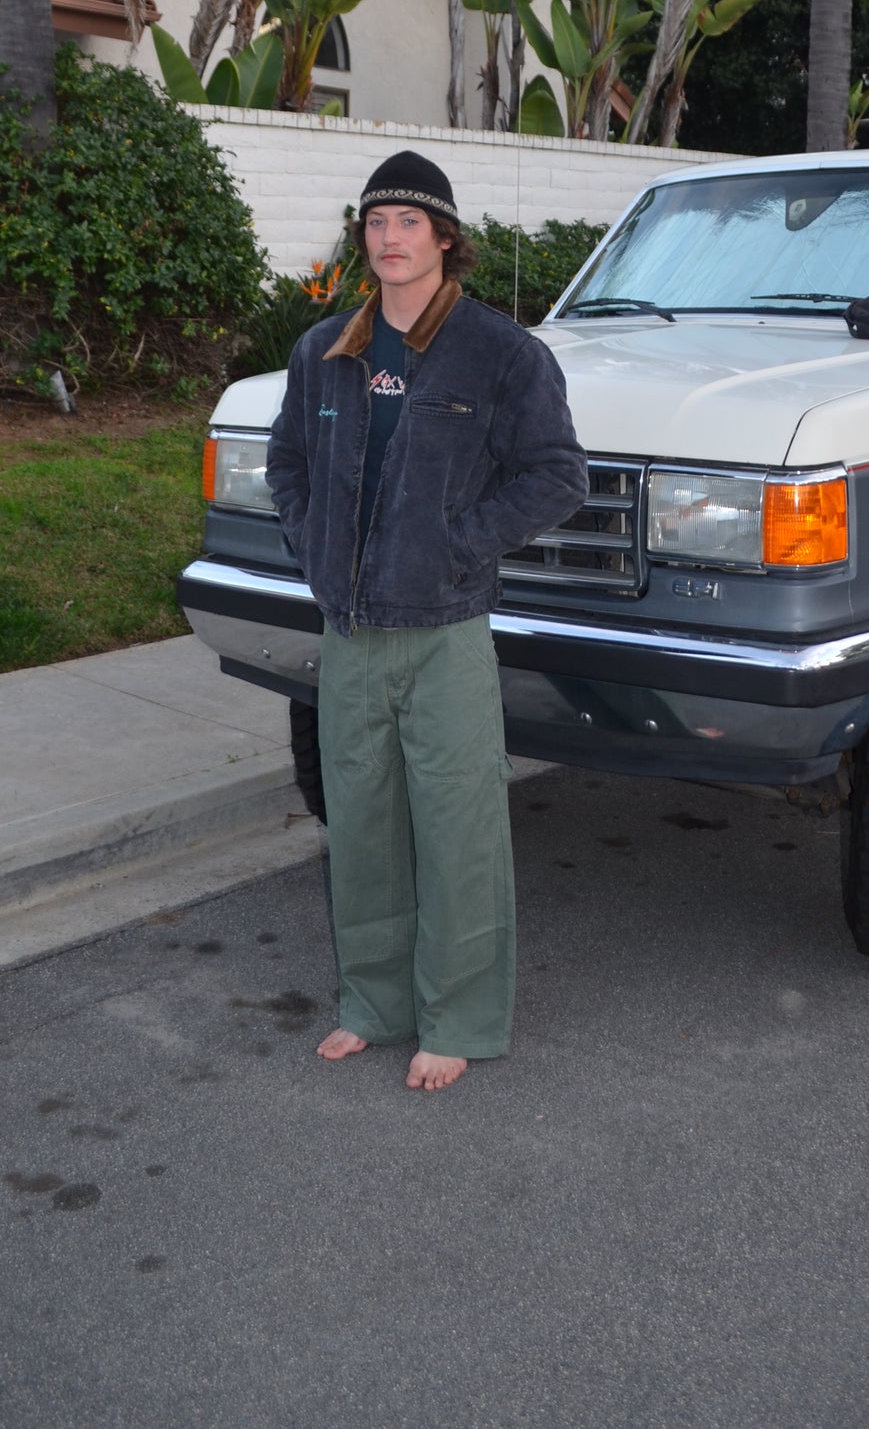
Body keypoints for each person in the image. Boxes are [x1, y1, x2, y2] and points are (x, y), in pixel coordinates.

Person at [267, 151, 588, 1092]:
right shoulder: (328, 348)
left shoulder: (502, 353)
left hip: (444, 628)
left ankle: (457, 1017)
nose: (391, 239)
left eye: (409, 223)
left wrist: (462, 544)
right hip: (350, 630)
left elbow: (556, 474)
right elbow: (287, 462)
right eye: (376, 224)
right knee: (363, 827)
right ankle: (373, 1004)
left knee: (457, 830)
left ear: (445, 238)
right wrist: (314, 540)